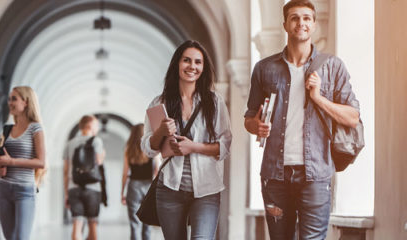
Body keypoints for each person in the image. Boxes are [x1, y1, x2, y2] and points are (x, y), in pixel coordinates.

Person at [244, 1, 360, 239]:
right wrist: (258, 126)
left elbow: (352, 117)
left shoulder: (332, 67)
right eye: (295, 18)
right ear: (285, 24)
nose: (301, 23)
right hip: (275, 176)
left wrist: (318, 98)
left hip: (316, 175)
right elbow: (248, 119)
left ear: (314, 24)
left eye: (307, 18)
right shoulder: (264, 69)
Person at [140, 40, 232, 240]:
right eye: (187, 60)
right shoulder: (160, 102)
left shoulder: (214, 102)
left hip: (207, 190)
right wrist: (161, 132)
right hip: (170, 189)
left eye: (198, 62)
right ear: (177, 64)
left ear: (203, 68)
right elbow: (148, 148)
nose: (192, 66)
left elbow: (224, 145)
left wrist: (193, 147)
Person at [0, 86, 46, 240]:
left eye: (14, 99)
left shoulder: (36, 128)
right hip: (3, 188)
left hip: (24, 190)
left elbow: (41, 162)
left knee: (21, 238)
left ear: (26, 102)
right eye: (9, 99)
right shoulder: (7, 129)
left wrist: (12, 161)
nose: (10, 102)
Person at [63, 115, 106, 240]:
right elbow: (98, 162)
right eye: (96, 126)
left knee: (77, 224)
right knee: (92, 224)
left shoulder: (70, 144)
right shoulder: (96, 141)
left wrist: (66, 193)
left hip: (74, 187)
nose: (97, 128)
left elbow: (66, 171)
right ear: (90, 126)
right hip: (93, 188)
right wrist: (103, 155)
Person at [121, 123, 159, 240]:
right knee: (147, 223)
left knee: (134, 223)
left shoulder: (129, 149)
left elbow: (125, 174)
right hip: (148, 186)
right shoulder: (151, 149)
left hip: (133, 187)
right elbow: (157, 170)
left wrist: (122, 193)